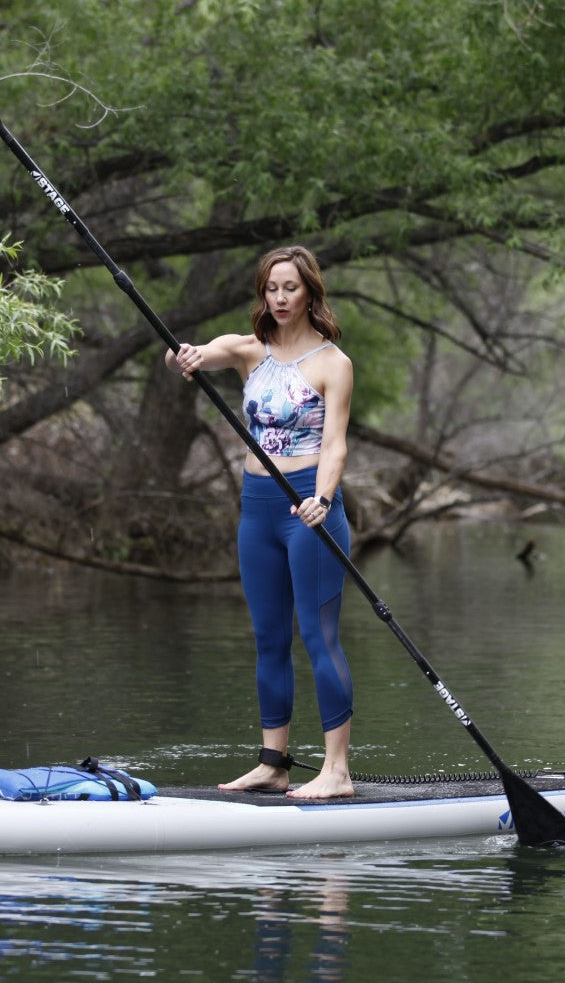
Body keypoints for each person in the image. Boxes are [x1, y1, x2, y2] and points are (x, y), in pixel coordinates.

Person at [166, 246, 356, 799]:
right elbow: (205, 352)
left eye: (290, 288)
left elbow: (337, 444)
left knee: (318, 637)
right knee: (268, 637)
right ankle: (274, 763)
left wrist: (323, 496)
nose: (279, 298)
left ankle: (336, 772)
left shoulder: (332, 363)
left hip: (308, 509)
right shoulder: (250, 351)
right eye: (271, 288)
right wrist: (188, 356)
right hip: (257, 509)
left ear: (310, 293)